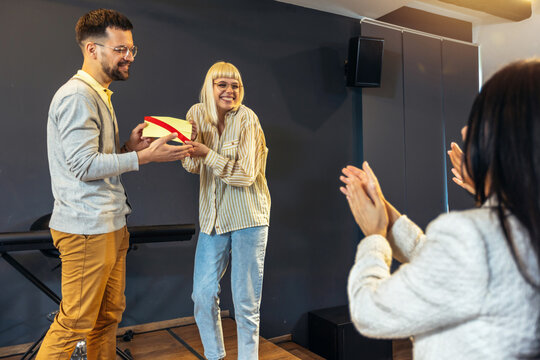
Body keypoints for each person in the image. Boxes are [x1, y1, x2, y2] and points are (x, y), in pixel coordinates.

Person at [339, 59, 540, 359]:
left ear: (504, 136)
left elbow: (370, 311)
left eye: (479, 118)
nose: (463, 129)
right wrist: (385, 211)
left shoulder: (472, 235)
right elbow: (450, 274)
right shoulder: (525, 226)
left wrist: (374, 238)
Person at [38, 9, 193, 360]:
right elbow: (81, 166)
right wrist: (143, 158)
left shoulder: (100, 94)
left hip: (110, 226)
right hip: (86, 230)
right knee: (74, 323)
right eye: (120, 49)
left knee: (107, 318)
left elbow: (92, 160)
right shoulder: (78, 96)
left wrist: (126, 149)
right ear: (92, 50)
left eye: (132, 50)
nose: (129, 57)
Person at [181, 61, 271, 360]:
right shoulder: (195, 114)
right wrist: (190, 143)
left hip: (248, 217)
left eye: (235, 85)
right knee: (202, 295)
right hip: (213, 218)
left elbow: (245, 176)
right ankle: (215, 356)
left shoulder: (247, 119)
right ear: (210, 86)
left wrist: (207, 152)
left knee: (246, 303)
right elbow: (193, 167)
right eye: (223, 84)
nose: (230, 90)